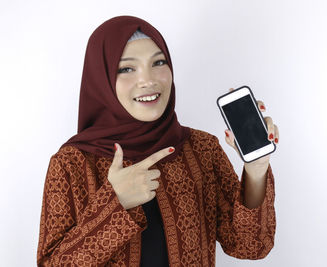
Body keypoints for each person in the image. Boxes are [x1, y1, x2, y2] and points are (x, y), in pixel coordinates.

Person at [36, 15, 279, 267]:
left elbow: (251, 245)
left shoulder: (201, 148)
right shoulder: (71, 164)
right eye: (127, 68)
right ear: (101, 79)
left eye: (159, 62)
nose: (148, 80)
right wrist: (115, 205)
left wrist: (256, 169)